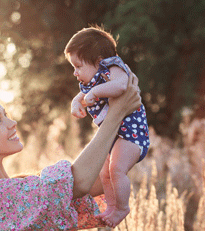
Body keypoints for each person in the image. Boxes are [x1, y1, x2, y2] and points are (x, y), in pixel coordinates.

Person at [0, 71, 141, 230]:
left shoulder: (14, 189)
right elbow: (77, 183)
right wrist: (116, 113)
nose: (13, 123)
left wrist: (118, 103)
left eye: (6, 115)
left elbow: (94, 181)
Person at [64, 26, 150, 227]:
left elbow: (121, 86)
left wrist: (97, 92)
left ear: (98, 60)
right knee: (104, 173)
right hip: (115, 137)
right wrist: (76, 103)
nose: (75, 72)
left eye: (78, 66)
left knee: (116, 169)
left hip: (132, 136)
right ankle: (111, 206)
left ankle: (122, 207)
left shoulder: (114, 68)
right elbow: (81, 96)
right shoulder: (90, 83)